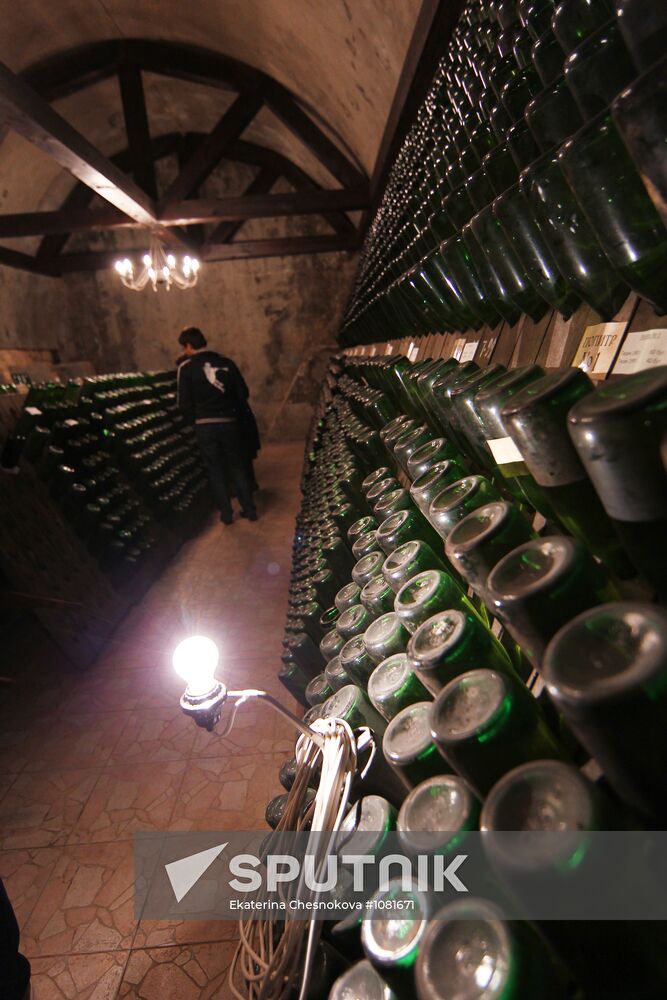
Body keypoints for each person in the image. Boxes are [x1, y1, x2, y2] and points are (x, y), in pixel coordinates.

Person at [177, 327, 258, 524]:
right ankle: (249, 509)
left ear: (188, 346)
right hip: (228, 423)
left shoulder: (186, 368)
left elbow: (183, 402)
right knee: (237, 465)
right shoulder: (226, 363)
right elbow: (243, 393)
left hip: (204, 425)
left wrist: (193, 422)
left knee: (215, 469)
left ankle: (226, 514)